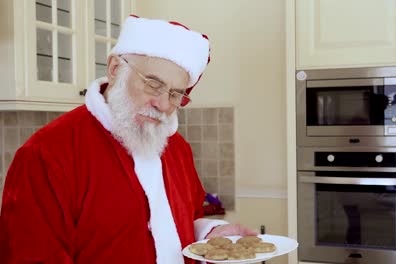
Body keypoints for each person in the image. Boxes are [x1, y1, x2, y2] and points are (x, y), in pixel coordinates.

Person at [0, 15, 256, 263]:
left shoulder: (177, 148)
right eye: (153, 84)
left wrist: (209, 233)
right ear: (114, 69)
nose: (164, 104)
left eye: (176, 94)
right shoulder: (47, 154)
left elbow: (185, 220)